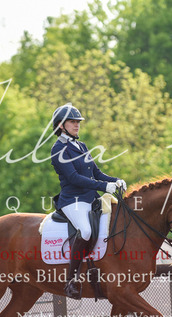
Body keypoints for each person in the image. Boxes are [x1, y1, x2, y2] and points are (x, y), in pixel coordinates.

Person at [50, 104, 126, 299]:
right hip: (73, 200)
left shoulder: (81, 146)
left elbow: (96, 173)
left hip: (91, 198)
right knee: (85, 231)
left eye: (78, 122)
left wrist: (115, 181)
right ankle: (71, 280)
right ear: (61, 125)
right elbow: (74, 178)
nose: (77, 125)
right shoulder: (58, 149)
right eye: (72, 122)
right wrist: (104, 186)